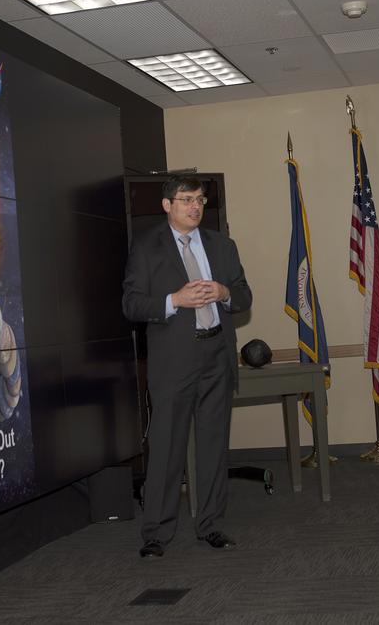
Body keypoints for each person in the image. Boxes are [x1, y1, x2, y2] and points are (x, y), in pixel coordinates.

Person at [122, 176, 252, 559]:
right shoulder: (146, 247)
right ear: (167, 205)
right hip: (173, 360)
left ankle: (210, 525)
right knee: (166, 447)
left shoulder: (221, 245)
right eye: (186, 200)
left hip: (216, 355)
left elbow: (244, 294)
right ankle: (156, 534)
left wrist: (225, 293)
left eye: (199, 200)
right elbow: (131, 304)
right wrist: (173, 299)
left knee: (213, 444)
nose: (195, 207)